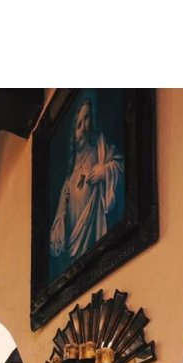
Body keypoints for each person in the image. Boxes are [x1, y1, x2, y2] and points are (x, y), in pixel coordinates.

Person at [49, 96, 124, 270]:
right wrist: (62, 213)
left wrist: (104, 171)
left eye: (87, 118)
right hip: (74, 251)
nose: (83, 128)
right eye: (78, 124)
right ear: (73, 135)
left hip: (96, 232)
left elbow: (120, 166)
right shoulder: (68, 178)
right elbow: (57, 234)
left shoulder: (100, 149)